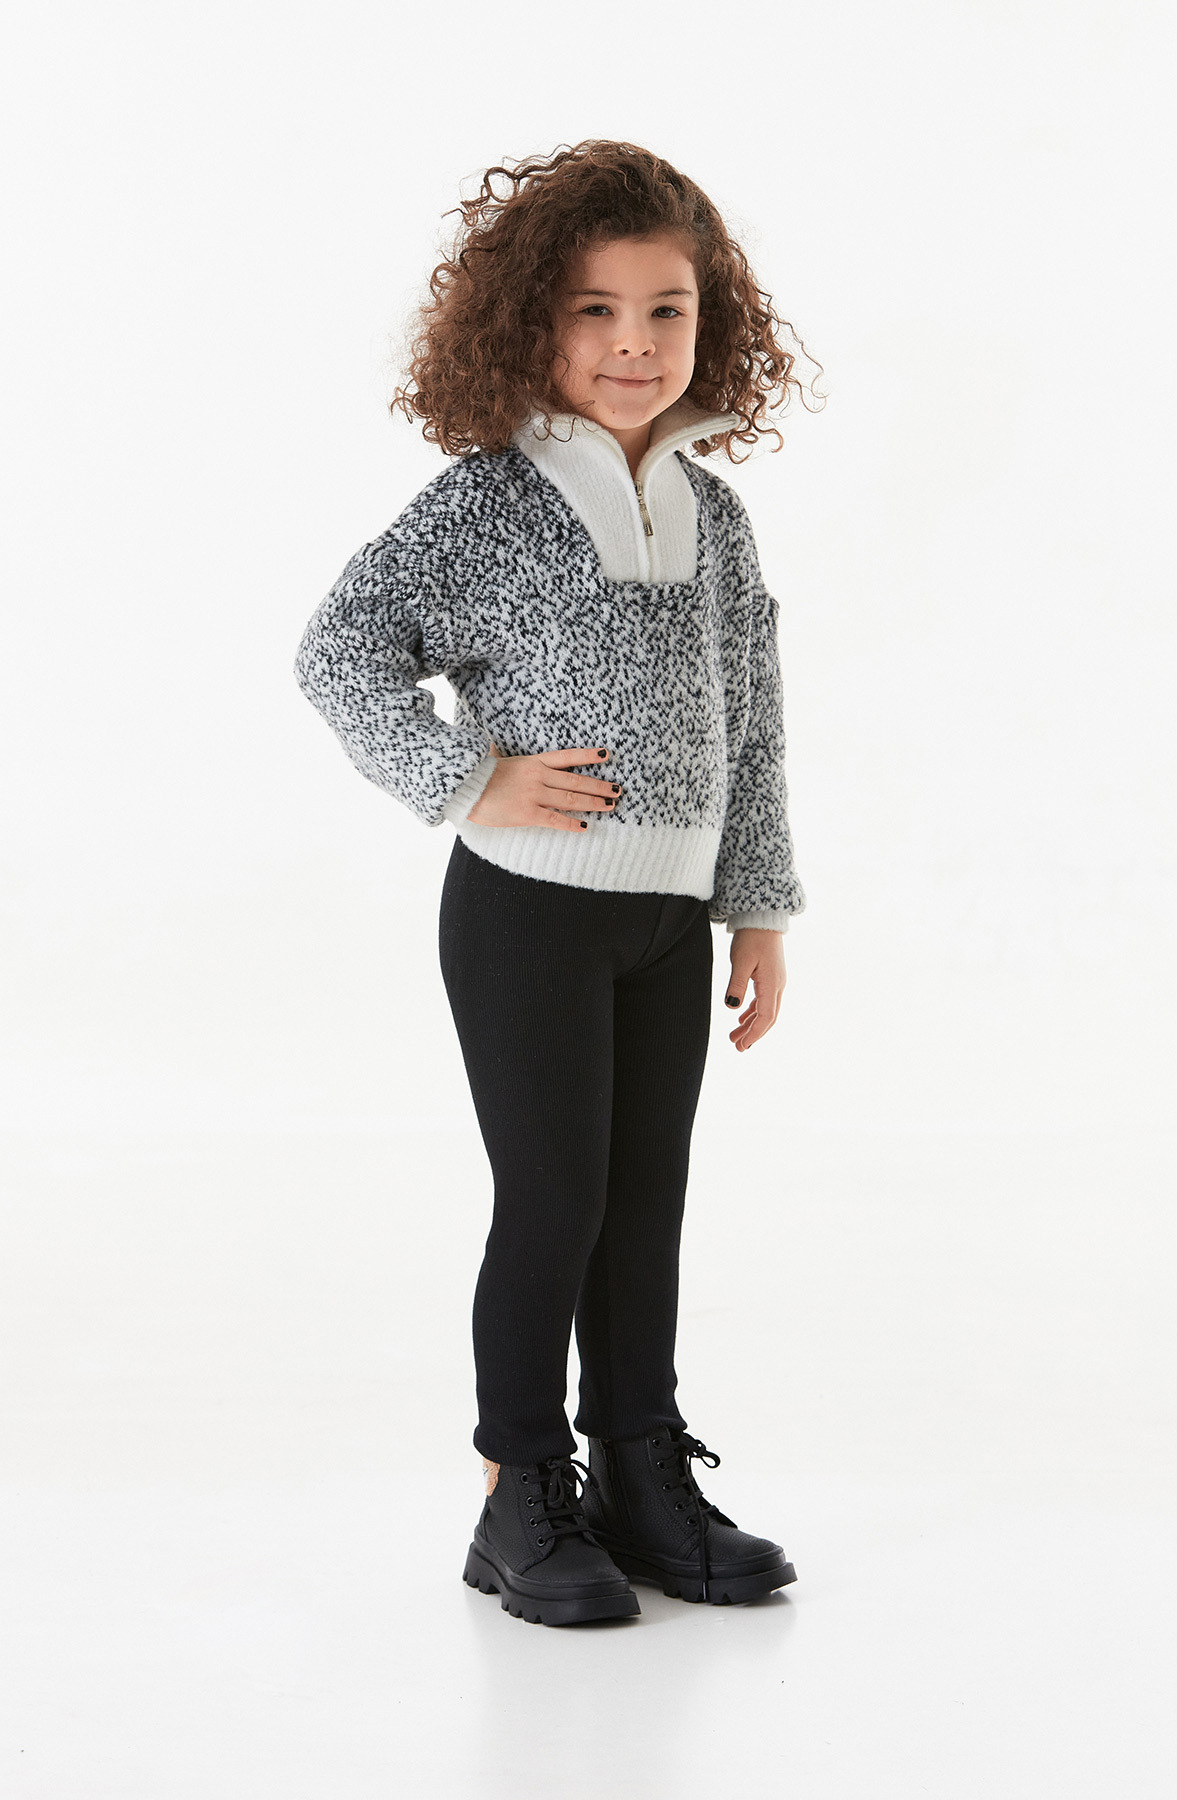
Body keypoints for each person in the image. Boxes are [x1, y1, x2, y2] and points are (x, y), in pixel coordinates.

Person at [293, 140, 820, 1626]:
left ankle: (641, 1471)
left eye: (667, 311)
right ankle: (518, 1489)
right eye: (596, 311)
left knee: (645, 1200)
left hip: (669, 924)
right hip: (528, 914)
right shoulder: (488, 505)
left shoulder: (717, 516)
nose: (634, 344)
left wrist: (759, 910)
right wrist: (469, 778)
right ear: (531, 321)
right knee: (555, 1199)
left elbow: (753, 718)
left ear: (709, 322)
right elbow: (341, 651)